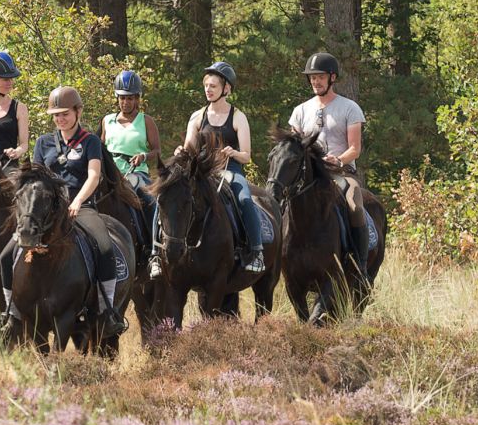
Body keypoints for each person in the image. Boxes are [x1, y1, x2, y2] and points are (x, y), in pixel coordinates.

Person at [0, 86, 128, 341]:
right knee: (6, 254)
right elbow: (37, 179)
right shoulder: (44, 142)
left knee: (104, 247)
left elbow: (94, 176)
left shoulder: (91, 142)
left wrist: (77, 201)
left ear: (78, 112)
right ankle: (12, 315)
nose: (60, 119)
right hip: (47, 212)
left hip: (82, 206)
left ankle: (106, 310)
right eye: (56, 115)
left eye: (64, 113)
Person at [150, 61, 265, 277]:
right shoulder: (197, 116)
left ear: (226, 88)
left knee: (244, 200)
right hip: (201, 173)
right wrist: (179, 152)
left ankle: (256, 250)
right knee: (165, 195)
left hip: (230, 169)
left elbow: (247, 156)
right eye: (206, 86)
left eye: (213, 86)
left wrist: (234, 153)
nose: (208, 90)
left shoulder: (238, 117)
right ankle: (156, 253)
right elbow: (188, 150)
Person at [289, 51, 368, 279]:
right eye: (312, 77)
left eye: (320, 77)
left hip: (341, 173)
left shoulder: (349, 108)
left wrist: (339, 159)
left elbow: (355, 148)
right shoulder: (300, 111)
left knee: (354, 205)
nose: (315, 81)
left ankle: (359, 265)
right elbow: (294, 148)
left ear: (332, 78)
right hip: (310, 177)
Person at [98, 70, 160, 189]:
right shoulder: (107, 120)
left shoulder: (146, 121)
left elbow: (157, 151)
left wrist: (143, 157)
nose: (125, 102)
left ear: (137, 99)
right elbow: (100, 148)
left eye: (130, 98)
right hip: (110, 172)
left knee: (145, 197)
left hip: (136, 172)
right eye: (122, 98)